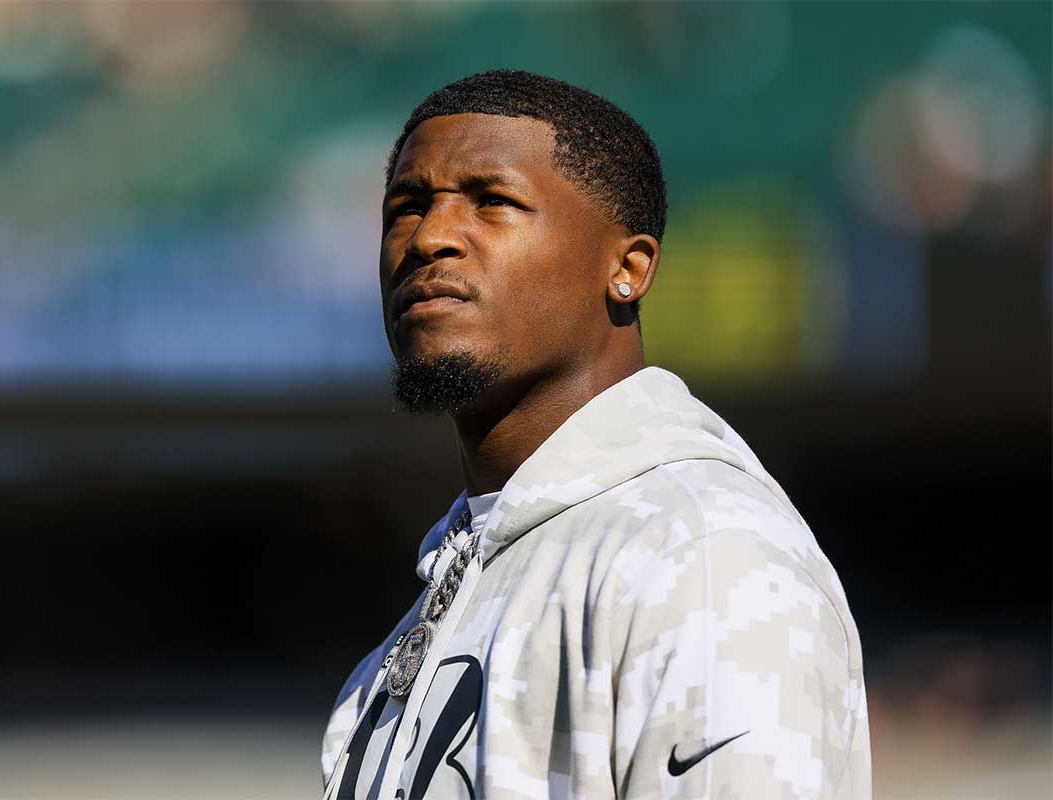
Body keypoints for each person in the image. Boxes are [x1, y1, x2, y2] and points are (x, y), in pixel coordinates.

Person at [320, 70, 871, 800]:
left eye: (493, 202)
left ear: (628, 268)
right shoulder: (438, 601)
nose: (431, 238)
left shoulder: (701, 553)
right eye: (407, 207)